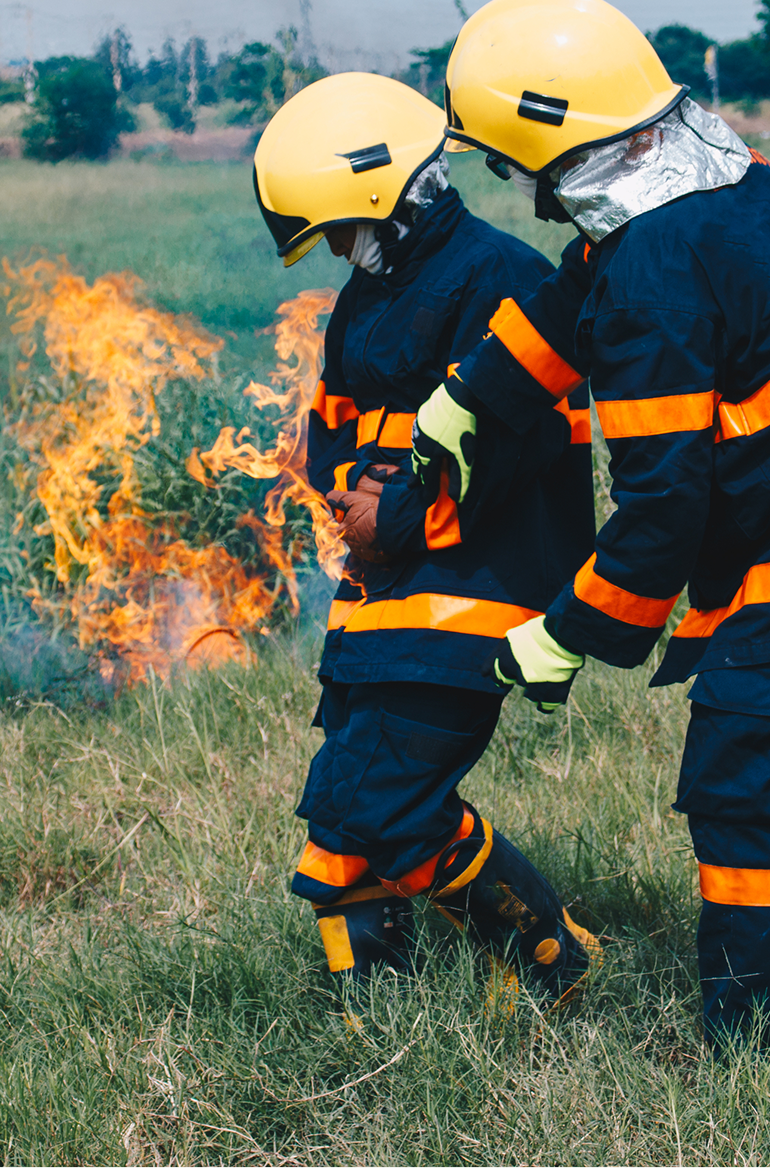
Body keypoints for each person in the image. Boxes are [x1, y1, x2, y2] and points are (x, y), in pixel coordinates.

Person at [411, 0, 770, 1059]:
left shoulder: (651, 282)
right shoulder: (719, 173)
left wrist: (567, 632)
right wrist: (471, 395)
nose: (516, 189)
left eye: (509, 163)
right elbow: (578, 290)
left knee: (756, 788)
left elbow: (662, 509)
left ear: (546, 144)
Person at [252, 71, 599, 1001]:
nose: (334, 249)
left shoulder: (504, 278)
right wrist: (347, 499)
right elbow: (333, 423)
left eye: (337, 228)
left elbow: (510, 439)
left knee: (379, 799)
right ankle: (376, 1011)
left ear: (385, 198)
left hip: (472, 584)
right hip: (380, 587)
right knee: (343, 813)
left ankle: (550, 961)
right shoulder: (364, 298)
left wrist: (394, 515)